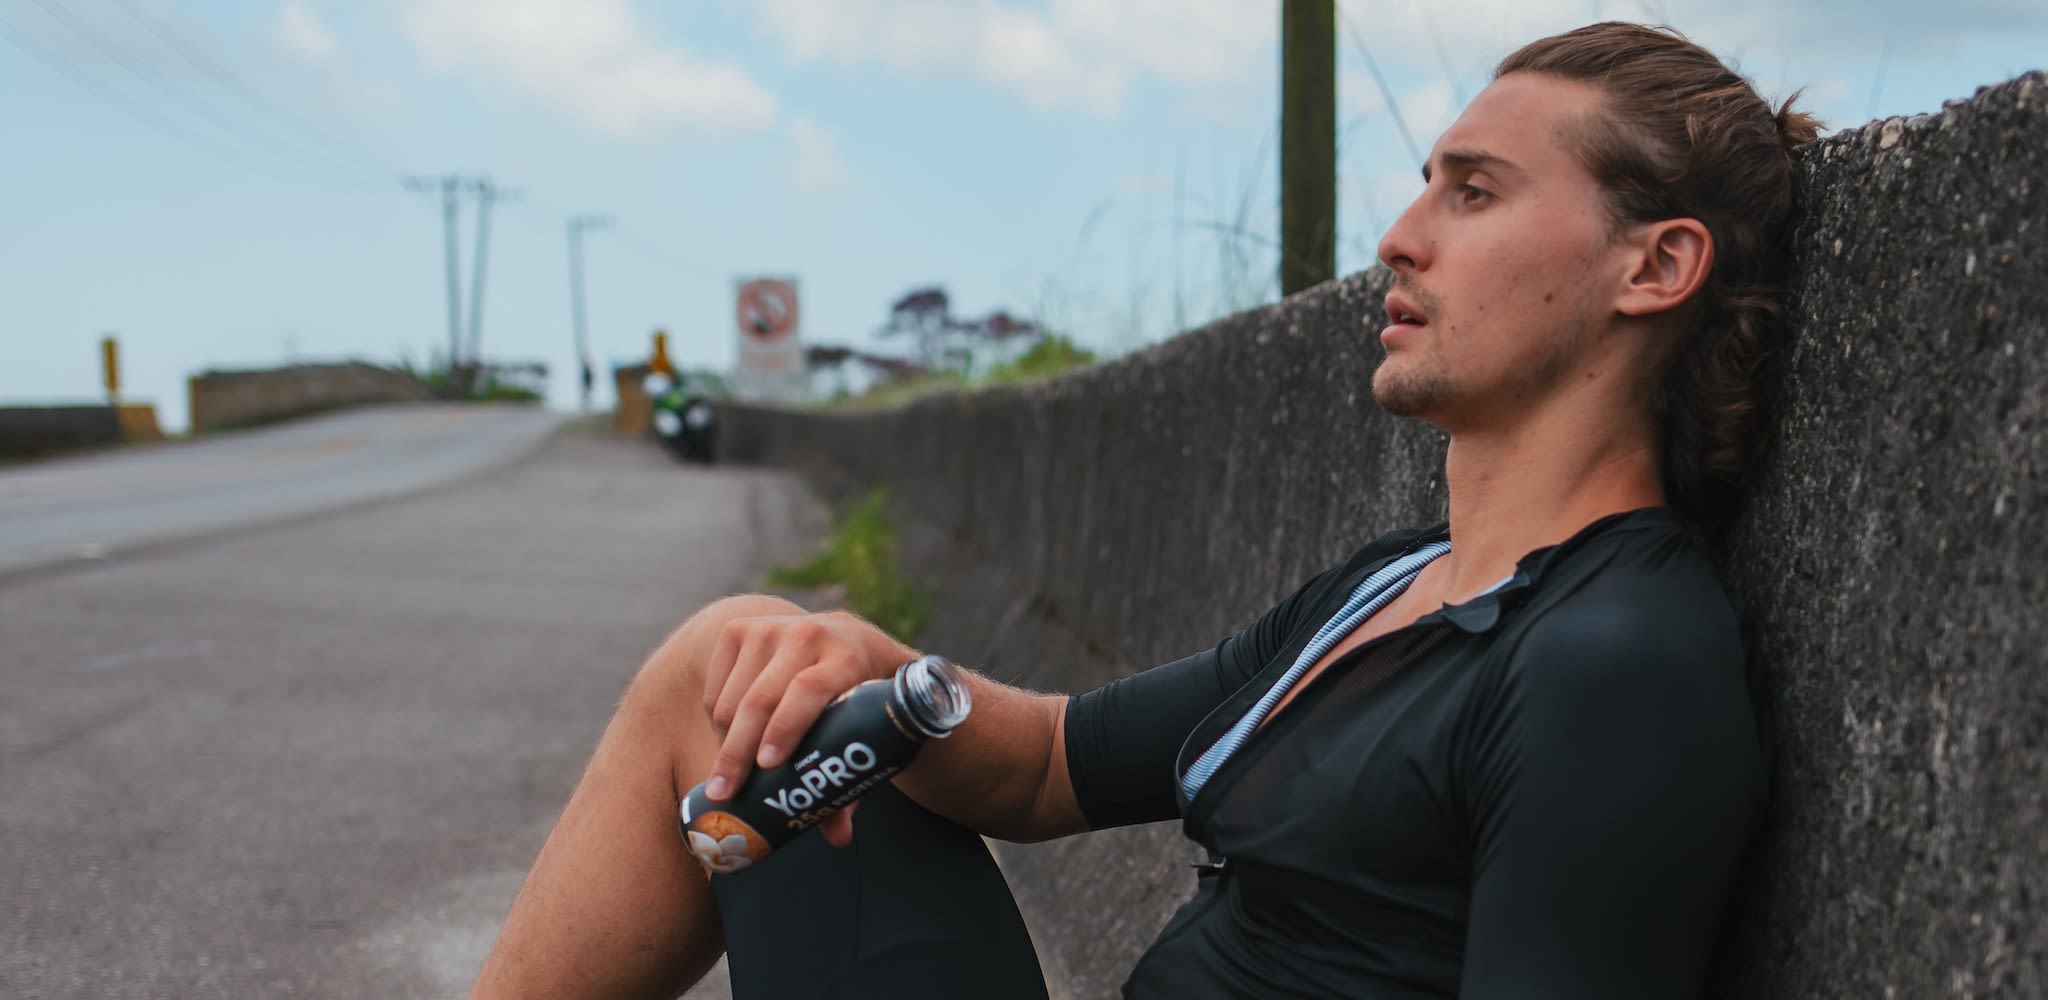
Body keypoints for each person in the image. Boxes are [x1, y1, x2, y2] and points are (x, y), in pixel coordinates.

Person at [471, 21, 1820, 1000]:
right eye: (1425, 184)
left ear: (1656, 266)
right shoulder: (1400, 582)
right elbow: (1052, 766)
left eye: (1473, 192)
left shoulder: (1612, 664)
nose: (1401, 235)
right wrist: (869, 662)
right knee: (739, 665)